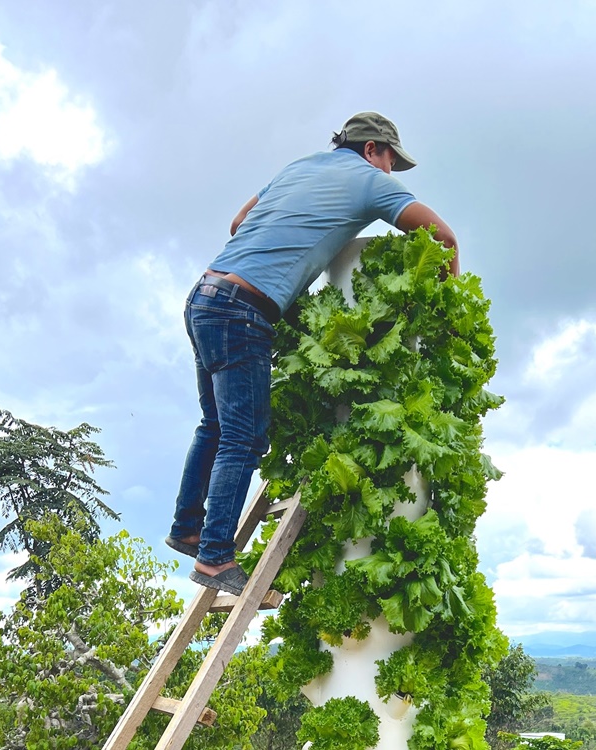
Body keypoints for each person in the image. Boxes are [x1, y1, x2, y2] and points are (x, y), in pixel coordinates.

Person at [166, 112, 459, 595]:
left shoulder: (299, 167)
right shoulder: (369, 182)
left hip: (205, 295)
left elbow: (239, 222)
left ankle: (187, 527)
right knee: (244, 439)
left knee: (214, 426)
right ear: (371, 150)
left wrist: (287, 255)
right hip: (243, 312)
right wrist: (447, 313)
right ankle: (215, 559)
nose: (390, 173)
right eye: (390, 160)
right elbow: (443, 238)